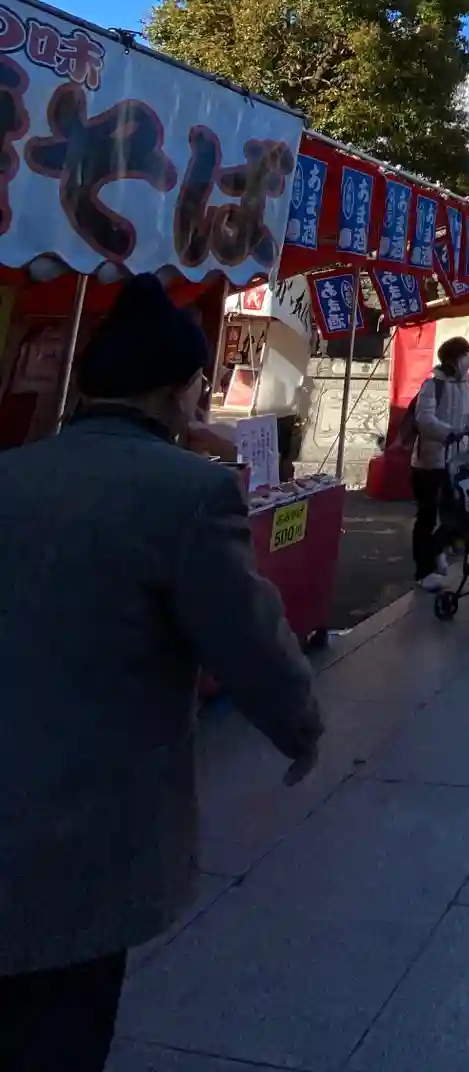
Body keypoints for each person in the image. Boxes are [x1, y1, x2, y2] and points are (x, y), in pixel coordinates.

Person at [0, 275, 323, 1072]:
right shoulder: (191, 493)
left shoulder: (14, 472)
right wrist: (300, 726)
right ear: (182, 391)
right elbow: (247, 637)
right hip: (87, 818)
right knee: (63, 1020)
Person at [402, 335, 469, 591]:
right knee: (427, 517)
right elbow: (424, 419)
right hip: (429, 463)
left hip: (456, 462)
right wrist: (448, 433)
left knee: (458, 514)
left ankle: (437, 548)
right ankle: (424, 571)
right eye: (464, 356)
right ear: (453, 360)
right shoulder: (432, 386)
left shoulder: (467, 386)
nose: (468, 360)